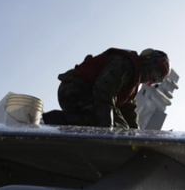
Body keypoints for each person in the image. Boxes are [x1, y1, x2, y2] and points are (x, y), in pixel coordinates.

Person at [42, 48, 170, 129]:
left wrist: (135, 135)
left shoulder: (132, 84)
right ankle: (52, 121)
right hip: (75, 90)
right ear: (148, 60)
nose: (151, 80)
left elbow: (128, 110)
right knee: (109, 124)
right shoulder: (125, 64)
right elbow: (104, 89)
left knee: (122, 129)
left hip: (91, 95)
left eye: (156, 81)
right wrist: (106, 127)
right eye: (154, 75)